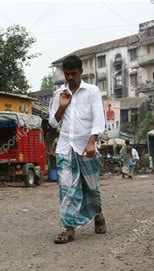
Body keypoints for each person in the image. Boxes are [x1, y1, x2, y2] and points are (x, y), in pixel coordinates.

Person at [48, 55, 106, 244]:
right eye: (67, 74)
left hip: (85, 146)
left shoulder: (92, 91)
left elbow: (98, 120)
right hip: (65, 146)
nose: (70, 77)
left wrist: (91, 142)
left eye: (73, 73)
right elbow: (53, 122)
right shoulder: (60, 94)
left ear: (81, 72)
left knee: (91, 186)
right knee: (66, 187)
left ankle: (98, 214)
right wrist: (62, 107)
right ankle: (69, 228)